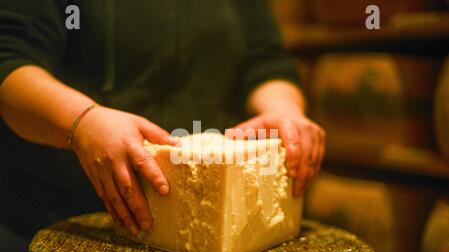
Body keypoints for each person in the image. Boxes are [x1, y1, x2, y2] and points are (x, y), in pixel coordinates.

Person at [0, 0, 325, 239]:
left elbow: (265, 62)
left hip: (209, 225)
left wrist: (284, 111)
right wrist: (83, 121)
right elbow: (11, 62)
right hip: (56, 219)